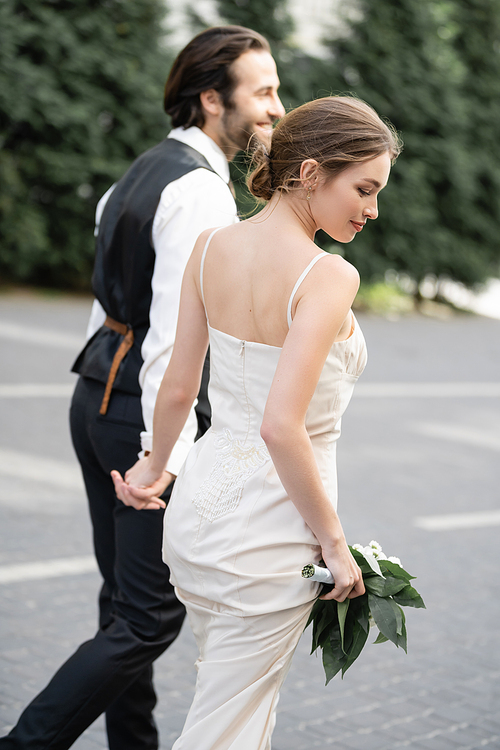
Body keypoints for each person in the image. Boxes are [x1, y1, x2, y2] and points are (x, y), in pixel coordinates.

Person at [0, 25, 284, 750]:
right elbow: (170, 343)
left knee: (122, 604)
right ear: (210, 99)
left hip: (94, 398)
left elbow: (108, 313)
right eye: (264, 92)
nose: (277, 109)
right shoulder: (200, 194)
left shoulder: (137, 172)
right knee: (149, 617)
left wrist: (109, 403)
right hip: (136, 413)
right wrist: (165, 454)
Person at [112, 95, 402, 749]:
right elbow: (280, 426)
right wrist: (333, 543)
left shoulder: (212, 245)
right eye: (364, 188)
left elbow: (179, 384)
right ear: (309, 173)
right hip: (268, 536)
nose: (373, 209)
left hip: (198, 522)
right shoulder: (328, 275)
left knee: (238, 713)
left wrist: (155, 470)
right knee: (224, 730)